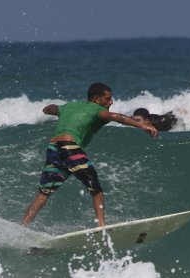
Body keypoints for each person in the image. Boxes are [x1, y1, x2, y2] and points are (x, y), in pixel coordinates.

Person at [21, 82, 158, 228]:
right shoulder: (96, 109)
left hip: (54, 148)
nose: (111, 102)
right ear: (96, 99)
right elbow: (116, 117)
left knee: (44, 193)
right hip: (70, 148)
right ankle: (101, 225)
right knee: (96, 190)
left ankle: (23, 226)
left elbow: (50, 109)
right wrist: (142, 125)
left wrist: (51, 109)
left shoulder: (69, 106)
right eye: (107, 99)